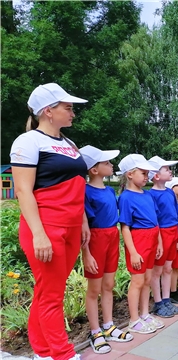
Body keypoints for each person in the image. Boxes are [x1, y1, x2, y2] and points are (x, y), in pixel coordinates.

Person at [10, 83, 88, 360]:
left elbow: (77, 186)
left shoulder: (69, 144)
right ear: (48, 111)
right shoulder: (28, 142)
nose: (73, 113)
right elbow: (22, 191)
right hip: (45, 227)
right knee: (53, 295)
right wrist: (39, 235)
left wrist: (81, 223)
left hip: (70, 227)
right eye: (67, 108)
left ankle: (42, 351)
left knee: (48, 291)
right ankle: (62, 354)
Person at [79, 145, 133, 354]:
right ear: (94, 170)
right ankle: (95, 331)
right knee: (94, 289)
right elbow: (83, 227)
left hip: (111, 236)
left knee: (108, 284)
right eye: (107, 163)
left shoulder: (110, 190)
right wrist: (87, 253)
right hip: (95, 239)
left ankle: (108, 325)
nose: (111, 165)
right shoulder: (85, 191)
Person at [117, 154, 164, 334]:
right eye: (143, 173)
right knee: (137, 280)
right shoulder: (126, 197)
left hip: (152, 240)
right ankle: (134, 319)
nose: (147, 177)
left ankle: (145, 314)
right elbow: (125, 227)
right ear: (130, 174)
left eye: (147, 173)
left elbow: (155, 220)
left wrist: (159, 242)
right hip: (138, 241)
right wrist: (133, 252)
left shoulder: (148, 195)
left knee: (147, 279)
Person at [147, 156, 178, 318]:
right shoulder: (151, 195)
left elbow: (175, 213)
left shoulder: (169, 192)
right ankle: (158, 302)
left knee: (168, 268)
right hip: (161, 234)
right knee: (157, 270)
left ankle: (167, 299)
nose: (170, 171)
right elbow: (154, 218)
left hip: (173, 232)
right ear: (156, 175)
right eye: (166, 169)